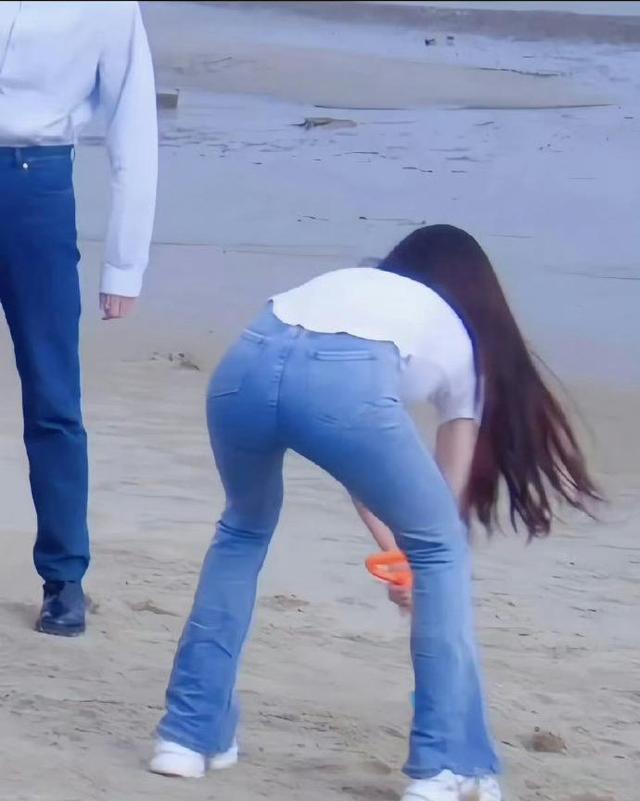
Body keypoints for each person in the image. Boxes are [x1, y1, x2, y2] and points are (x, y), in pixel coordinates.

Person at [150, 225, 599, 800]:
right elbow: (439, 513)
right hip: (343, 384)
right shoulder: (461, 342)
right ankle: (443, 765)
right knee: (443, 554)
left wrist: (400, 556)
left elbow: (369, 476)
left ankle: (187, 737)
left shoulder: (358, 287)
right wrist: (416, 563)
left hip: (248, 359)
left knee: (242, 530)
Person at [0, 2, 157, 636]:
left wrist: (124, 265)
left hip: (35, 188)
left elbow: (134, 130)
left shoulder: (106, 6)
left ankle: (64, 579)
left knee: (53, 396)